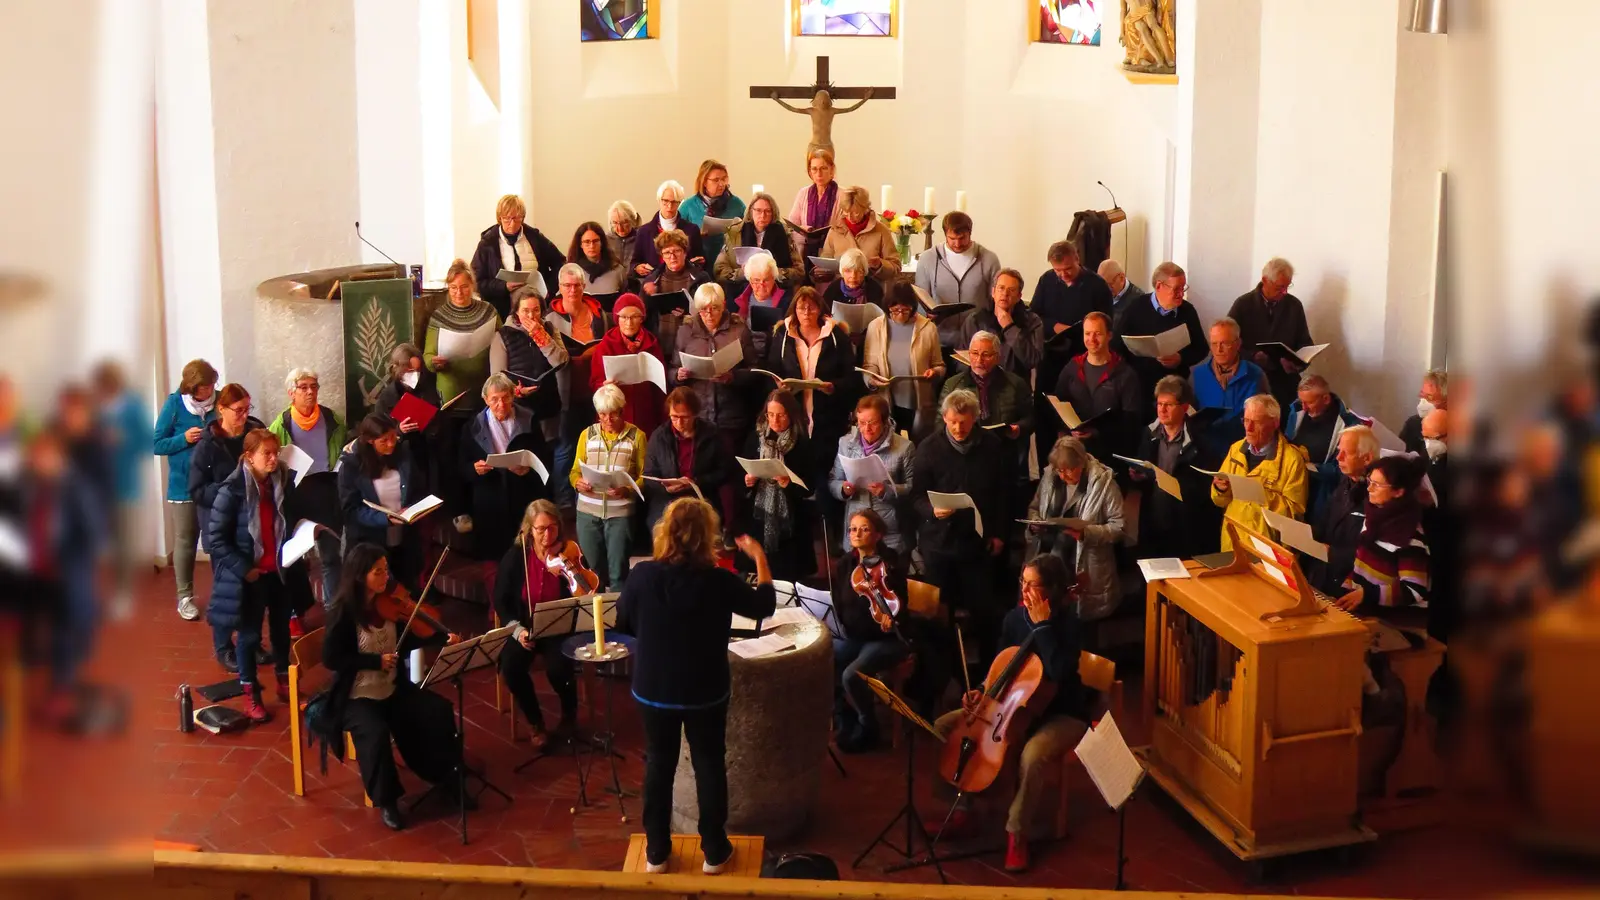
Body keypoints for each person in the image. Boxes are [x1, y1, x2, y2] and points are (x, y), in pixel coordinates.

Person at [615, 499, 777, 875]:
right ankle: (715, 851)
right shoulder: (718, 579)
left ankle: (656, 852)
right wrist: (759, 557)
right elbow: (763, 605)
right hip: (705, 688)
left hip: (654, 688)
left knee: (658, 763)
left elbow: (622, 623)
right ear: (708, 537)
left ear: (664, 532)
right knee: (708, 764)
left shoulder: (641, 576)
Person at [932, 553, 1089, 874]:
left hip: (1061, 714)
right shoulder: (1014, 620)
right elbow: (998, 667)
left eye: (1034, 585)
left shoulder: (1070, 625)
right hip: (1008, 707)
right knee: (943, 727)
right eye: (1023, 582)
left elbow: (1058, 672)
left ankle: (1016, 832)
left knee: (1032, 755)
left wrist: (1044, 626)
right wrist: (980, 690)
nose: (1025, 591)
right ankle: (963, 808)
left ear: (1055, 590)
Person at [323, 543, 463, 831]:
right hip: (357, 695)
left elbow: (409, 640)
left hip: (392, 688)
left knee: (438, 711)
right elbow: (332, 658)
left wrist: (439, 638)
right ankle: (387, 802)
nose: (386, 576)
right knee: (374, 734)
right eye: (378, 572)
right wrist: (374, 661)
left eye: (386, 570)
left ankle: (447, 777)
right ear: (361, 575)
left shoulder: (388, 604)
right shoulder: (344, 612)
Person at [205, 429, 313, 723]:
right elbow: (215, 539)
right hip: (250, 576)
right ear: (249, 457)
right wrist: (245, 570)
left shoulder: (282, 482)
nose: (274, 458)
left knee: (281, 632)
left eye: (276, 452)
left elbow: (292, 519)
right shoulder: (232, 491)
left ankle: (283, 684)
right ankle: (251, 695)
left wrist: (302, 536)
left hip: (279, 570)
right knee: (249, 636)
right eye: (267, 453)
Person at [912, 390, 1012, 659]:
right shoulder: (928, 449)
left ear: (975, 419)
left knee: (985, 613)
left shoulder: (991, 445)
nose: (958, 428)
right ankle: (943, 671)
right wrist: (933, 511)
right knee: (939, 614)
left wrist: (1000, 534)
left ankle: (986, 673)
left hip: (976, 544)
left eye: (964, 422)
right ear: (944, 417)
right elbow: (916, 496)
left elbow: (1003, 493)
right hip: (939, 545)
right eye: (953, 421)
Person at [22, 427, 106, 725]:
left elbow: (94, 531)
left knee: (65, 632)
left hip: (66, 572)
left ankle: (63, 687)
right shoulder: (32, 486)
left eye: (46, 456)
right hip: (36, 570)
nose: (39, 462)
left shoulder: (75, 486)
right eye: (37, 457)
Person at [492, 500, 586, 745]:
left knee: (559, 667)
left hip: (558, 626)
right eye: (540, 529)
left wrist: (575, 576)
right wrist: (518, 631)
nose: (547, 535)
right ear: (528, 530)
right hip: (524, 626)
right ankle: (535, 722)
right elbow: (500, 600)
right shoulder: (516, 556)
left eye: (552, 528)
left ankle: (569, 715)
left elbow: (583, 592)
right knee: (511, 666)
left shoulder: (568, 553)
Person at [189, 384, 266, 672]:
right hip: (222, 525)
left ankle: (252, 641)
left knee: (255, 589)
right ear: (221, 409)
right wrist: (227, 492)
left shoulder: (254, 432)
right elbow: (197, 490)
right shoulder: (208, 445)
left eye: (248, 408)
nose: (244, 415)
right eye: (238, 410)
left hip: (253, 524)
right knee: (228, 589)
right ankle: (223, 647)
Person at [673, 283, 759, 524]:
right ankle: (706, 530)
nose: (709, 313)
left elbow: (754, 371)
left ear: (724, 306)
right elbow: (672, 369)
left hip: (731, 413)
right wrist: (678, 375)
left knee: (731, 477)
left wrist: (733, 377)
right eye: (703, 309)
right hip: (698, 415)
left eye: (714, 308)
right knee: (701, 476)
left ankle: (733, 529)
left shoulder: (739, 329)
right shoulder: (686, 331)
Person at [266, 366, 349, 612]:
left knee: (331, 554)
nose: (310, 392)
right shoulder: (280, 425)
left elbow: (343, 448)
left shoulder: (333, 419)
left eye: (314, 386)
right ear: (291, 393)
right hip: (295, 493)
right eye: (304, 387)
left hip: (326, 490)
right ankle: (294, 611)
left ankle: (333, 608)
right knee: (292, 556)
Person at [830, 509, 911, 753]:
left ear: (878, 535)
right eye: (853, 529)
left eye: (864, 529)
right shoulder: (846, 564)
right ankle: (847, 717)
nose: (857, 533)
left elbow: (901, 603)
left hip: (887, 638)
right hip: (855, 636)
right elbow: (836, 601)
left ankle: (868, 725)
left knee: (851, 675)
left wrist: (892, 617)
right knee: (825, 659)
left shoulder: (892, 562)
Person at [767, 286, 858, 491]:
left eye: (811, 308)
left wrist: (833, 387)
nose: (806, 313)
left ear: (820, 310)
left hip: (827, 415)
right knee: (798, 472)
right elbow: (772, 367)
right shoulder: (782, 334)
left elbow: (852, 377)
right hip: (794, 413)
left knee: (823, 472)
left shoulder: (836, 335)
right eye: (801, 308)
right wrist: (779, 385)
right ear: (794, 310)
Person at [1026, 435, 1124, 622]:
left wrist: (1086, 533)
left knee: (1081, 627)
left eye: (1069, 470)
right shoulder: (1050, 478)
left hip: (1083, 562)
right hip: (1049, 558)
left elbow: (1118, 527)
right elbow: (1034, 507)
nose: (1064, 476)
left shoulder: (1104, 483)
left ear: (1082, 462)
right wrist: (1035, 522)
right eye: (1059, 471)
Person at [461, 374, 550, 564]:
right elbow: (461, 468)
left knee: (526, 555)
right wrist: (474, 469)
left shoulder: (529, 419)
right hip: (489, 501)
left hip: (522, 495)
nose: (501, 404)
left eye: (505, 397)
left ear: (513, 396)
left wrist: (528, 469)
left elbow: (543, 456)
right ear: (485, 399)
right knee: (495, 560)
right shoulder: (472, 427)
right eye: (494, 399)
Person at [1130, 376, 1222, 560]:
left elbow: (1206, 487)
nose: (1162, 410)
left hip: (1186, 525)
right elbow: (1145, 468)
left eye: (1168, 405)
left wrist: (1181, 487)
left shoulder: (1201, 442)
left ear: (1185, 407)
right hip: (1154, 518)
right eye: (1159, 404)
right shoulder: (1149, 435)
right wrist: (1140, 476)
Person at [154, 358, 217, 621]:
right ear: (192, 387)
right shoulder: (174, 405)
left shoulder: (221, 399)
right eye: (205, 387)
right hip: (183, 486)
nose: (211, 390)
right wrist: (184, 439)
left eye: (213, 384)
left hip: (215, 483)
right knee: (185, 542)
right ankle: (185, 597)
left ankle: (224, 595)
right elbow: (157, 443)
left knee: (218, 540)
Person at [1333, 454, 1431, 612]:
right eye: (1370, 481)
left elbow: (1415, 590)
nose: (1369, 488)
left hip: (1392, 620)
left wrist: (1366, 595)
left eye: (1377, 485)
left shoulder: (1410, 537)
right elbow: (1360, 567)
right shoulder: (1372, 518)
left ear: (1398, 492)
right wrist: (1345, 591)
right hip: (1364, 607)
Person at [571, 383, 646, 589]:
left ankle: (619, 618)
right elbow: (574, 472)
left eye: (613, 414)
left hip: (620, 513)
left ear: (622, 411)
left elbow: (644, 476)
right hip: (587, 512)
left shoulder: (637, 436)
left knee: (618, 572)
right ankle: (598, 619)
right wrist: (578, 482)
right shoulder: (587, 435)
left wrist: (627, 489)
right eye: (602, 415)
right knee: (594, 572)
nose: (607, 420)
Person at [338, 413, 426, 589]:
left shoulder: (403, 454)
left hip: (403, 538)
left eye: (393, 437)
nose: (391, 444)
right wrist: (383, 518)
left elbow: (416, 486)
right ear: (370, 440)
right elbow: (350, 511)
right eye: (384, 440)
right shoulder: (351, 465)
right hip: (370, 541)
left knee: (404, 589)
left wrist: (416, 508)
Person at [548, 264, 612, 508]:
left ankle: (589, 497)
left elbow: (607, 346)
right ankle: (564, 501)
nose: (572, 290)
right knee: (565, 448)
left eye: (577, 285)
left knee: (593, 447)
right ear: (559, 288)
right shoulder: (550, 318)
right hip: (564, 390)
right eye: (567, 285)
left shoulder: (600, 316)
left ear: (584, 287)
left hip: (594, 389)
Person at [90, 361, 150, 620]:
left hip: (125, 487)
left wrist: (124, 439)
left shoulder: (133, 406)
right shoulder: (96, 408)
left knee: (124, 544)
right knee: (100, 543)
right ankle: (97, 594)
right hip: (97, 488)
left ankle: (123, 593)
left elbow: (148, 441)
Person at [1210, 394, 1309, 550]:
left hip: (1267, 546)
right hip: (1232, 541)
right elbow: (1219, 501)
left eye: (1256, 422)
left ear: (1275, 423)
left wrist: (1260, 495)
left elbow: (1295, 514)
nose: (1248, 428)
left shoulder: (1292, 459)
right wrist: (1220, 489)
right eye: (1246, 420)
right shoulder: (1236, 449)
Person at [1112, 261, 1208, 414]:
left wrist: (1180, 358)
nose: (1181, 294)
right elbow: (1117, 345)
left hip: (1175, 391)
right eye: (1176, 289)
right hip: (1140, 389)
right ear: (1159, 286)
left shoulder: (1187, 311)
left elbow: (1202, 348)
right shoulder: (1136, 308)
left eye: (1183, 288)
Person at [742, 390, 815, 582]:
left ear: (791, 414)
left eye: (781, 415)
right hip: (759, 512)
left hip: (791, 518)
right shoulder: (755, 437)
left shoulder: (801, 443)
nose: (775, 420)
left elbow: (810, 486)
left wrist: (788, 484)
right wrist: (748, 481)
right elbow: (742, 471)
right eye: (771, 414)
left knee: (787, 577)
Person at [1053, 311, 1144, 464]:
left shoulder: (1125, 374)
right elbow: (1057, 406)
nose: (1092, 340)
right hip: (1075, 455)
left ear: (1109, 335)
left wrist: (1096, 432)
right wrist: (1065, 432)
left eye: (1098, 334)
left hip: (1110, 457)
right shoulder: (1072, 368)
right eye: (1087, 333)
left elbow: (1132, 423)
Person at [939, 331, 1034, 477]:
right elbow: (940, 423)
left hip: (1003, 451)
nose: (979, 360)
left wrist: (1018, 429)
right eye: (974, 353)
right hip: (966, 453)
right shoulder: (953, 385)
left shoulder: (1016, 384)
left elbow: (1031, 418)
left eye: (986, 355)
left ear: (997, 357)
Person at [829, 394, 916, 553]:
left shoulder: (904, 447)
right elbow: (834, 480)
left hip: (890, 532)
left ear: (885, 421)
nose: (866, 429)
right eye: (861, 423)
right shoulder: (845, 443)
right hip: (857, 530)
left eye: (873, 423)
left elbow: (913, 489)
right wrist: (843, 489)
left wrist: (887, 490)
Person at [489, 287, 569, 456]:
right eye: (525, 311)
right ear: (516, 312)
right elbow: (496, 378)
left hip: (548, 403)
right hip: (518, 408)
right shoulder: (503, 335)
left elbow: (562, 361)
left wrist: (541, 337)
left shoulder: (550, 329)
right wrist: (515, 391)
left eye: (536, 310)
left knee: (548, 454)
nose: (531, 317)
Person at [860, 282, 944, 441]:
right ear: (887, 307)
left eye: (905, 310)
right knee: (888, 449)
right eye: (895, 310)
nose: (900, 314)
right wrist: (871, 380)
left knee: (919, 447)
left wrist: (935, 372)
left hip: (918, 401)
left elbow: (939, 365)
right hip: (887, 399)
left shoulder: (928, 328)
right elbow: (868, 365)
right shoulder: (876, 327)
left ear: (913, 307)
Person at [1229, 258, 1314, 415]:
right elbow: (1228, 344)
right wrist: (1252, 356)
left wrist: (1297, 362)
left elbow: (1305, 342)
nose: (1284, 293)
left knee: (1285, 428)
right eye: (1280, 288)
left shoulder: (1294, 305)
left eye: (1288, 287)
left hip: (1284, 382)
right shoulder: (1243, 304)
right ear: (1265, 281)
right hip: (1250, 380)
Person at [1305, 424, 1379, 596]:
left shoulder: (1378, 495)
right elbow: (1325, 524)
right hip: (1325, 577)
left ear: (1366, 458)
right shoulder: (1345, 482)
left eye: (1346, 453)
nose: (1338, 457)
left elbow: (1376, 552)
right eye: (1339, 451)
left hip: (1352, 586)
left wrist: (1334, 553)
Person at [643, 387, 730, 531]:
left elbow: (724, 471)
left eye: (684, 417)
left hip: (701, 499)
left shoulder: (712, 433)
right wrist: (666, 488)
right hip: (667, 502)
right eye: (674, 417)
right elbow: (648, 476)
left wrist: (696, 482)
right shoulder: (659, 436)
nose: (678, 422)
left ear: (695, 414)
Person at [1284, 373, 1366, 521]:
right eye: (1301, 401)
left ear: (1326, 399)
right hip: (1293, 488)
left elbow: (1342, 471)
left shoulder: (1349, 426)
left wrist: (1307, 466)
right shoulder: (1296, 411)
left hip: (1322, 496)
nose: (1304, 408)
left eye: (1308, 403)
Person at [472, 193, 564, 318]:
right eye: (507, 218)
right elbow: (477, 282)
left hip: (536, 307)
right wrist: (503, 286)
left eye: (516, 218)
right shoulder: (487, 244)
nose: (512, 223)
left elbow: (560, 261)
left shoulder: (534, 237)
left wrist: (549, 290)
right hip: (502, 310)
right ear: (499, 218)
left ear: (523, 217)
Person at [426, 258, 503, 407]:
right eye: (453, 287)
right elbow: (428, 356)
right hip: (451, 390)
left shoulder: (488, 311)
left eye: (464, 287)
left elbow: (504, 341)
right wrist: (434, 362)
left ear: (472, 285)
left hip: (485, 388)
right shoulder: (439, 316)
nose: (459, 292)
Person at [591, 293, 667, 440]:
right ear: (616, 319)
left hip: (646, 412)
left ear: (642, 319)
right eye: (624, 317)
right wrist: (604, 385)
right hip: (615, 414)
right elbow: (594, 382)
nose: (629, 322)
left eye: (634, 317)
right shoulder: (604, 346)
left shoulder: (652, 344)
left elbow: (660, 388)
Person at [1190, 317, 1269, 457]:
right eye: (1214, 344)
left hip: (1243, 453)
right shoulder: (1198, 375)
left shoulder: (1255, 375)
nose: (1218, 349)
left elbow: (1265, 419)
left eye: (1224, 343)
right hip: (1204, 453)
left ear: (1238, 344)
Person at [914, 211, 1002, 336]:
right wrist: (927, 314)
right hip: (939, 338)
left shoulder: (989, 259)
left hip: (978, 340)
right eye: (952, 239)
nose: (957, 244)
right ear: (945, 235)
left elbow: (996, 301)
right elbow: (921, 300)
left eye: (962, 238)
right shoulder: (928, 259)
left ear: (970, 233)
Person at [1029, 240, 1112, 360]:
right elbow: (1033, 315)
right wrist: (1054, 326)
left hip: (1083, 353)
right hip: (1049, 352)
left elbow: (1107, 323)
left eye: (1068, 268)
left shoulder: (1098, 285)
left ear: (1077, 259)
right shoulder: (1046, 280)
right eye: (1057, 270)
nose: (1063, 275)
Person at [958, 268, 1044, 379]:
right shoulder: (975, 320)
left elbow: (1033, 360)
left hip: (1014, 386)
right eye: (1001, 288)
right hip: (978, 384)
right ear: (993, 292)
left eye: (1011, 290)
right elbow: (960, 359)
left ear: (1019, 296)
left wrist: (1010, 328)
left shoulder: (1032, 321)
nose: (1005, 294)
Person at [375, 342, 442, 473]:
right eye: (410, 371)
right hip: (402, 461)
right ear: (397, 368)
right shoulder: (387, 397)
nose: (415, 375)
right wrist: (399, 430)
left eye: (418, 370)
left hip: (429, 457)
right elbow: (378, 433)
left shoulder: (428, 389)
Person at [714, 190, 801, 289]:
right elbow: (719, 270)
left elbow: (799, 271)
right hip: (739, 290)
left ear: (773, 213)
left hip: (777, 290)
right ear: (751, 211)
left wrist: (774, 273)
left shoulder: (785, 234)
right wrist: (744, 273)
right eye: (758, 210)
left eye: (768, 211)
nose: (763, 215)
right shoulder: (735, 233)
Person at [640, 229, 713, 344]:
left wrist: (688, 314)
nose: (672, 256)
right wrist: (647, 296)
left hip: (692, 341)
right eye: (667, 252)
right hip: (660, 342)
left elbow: (712, 312)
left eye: (677, 251)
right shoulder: (651, 280)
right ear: (662, 256)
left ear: (685, 252)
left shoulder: (701, 278)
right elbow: (642, 315)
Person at [818, 186, 900, 287]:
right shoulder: (834, 230)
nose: (849, 217)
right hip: (841, 291)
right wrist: (821, 271)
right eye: (846, 212)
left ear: (865, 208)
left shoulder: (881, 231)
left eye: (855, 212)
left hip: (873, 292)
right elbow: (826, 261)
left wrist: (879, 265)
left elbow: (896, 267)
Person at [677, 159, 746, 263]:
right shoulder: (688, 206)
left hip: (728, 263)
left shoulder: (737, 204)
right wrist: (695, 235)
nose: (722, 184)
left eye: (724, 179)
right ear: (704, 182)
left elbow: (749, 231)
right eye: (716, 180)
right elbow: (676, 238)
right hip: (699, 262)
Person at [634, 180, 706, 276]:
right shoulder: (644, 231)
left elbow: (701, 261)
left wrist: (698, 263)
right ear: (659, 200)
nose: (670, 206)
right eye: (665, 201)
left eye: (674, 202)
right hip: (653, 282)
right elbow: (634, 262)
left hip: (684, 281)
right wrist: (637, 267)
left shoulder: (692, 230)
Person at [787, 148, 842, 262]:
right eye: (814, 169)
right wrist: (805, 233)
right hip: (804, 254)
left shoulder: (842, 195)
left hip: (831, 254)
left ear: (832, 170)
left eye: (823, 168)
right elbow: (791, 228)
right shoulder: (803, 193)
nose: (819, 174)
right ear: (810, 172)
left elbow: (845, 232)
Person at [730, 253, 790, 356]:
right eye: (756, 280)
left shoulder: (786, 300)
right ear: (750, 280)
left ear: (773, 278)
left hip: (774, 354)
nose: (761, 285)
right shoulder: (738, 295)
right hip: (743, 354)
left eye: (766, 280)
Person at [566, 220, 628, 295]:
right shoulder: (571, 272)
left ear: (602, 243)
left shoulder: (618, 271)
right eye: (587, 242)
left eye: (595, 241)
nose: (591, 246)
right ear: (580, 244)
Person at [1400, 369, 1449, 456]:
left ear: (1446, 401)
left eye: (1429, 397)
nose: (1423, 401)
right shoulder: (1413, 424)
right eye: (1422, 395)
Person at [820, 248, 885, 311]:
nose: (853, 276)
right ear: (842, 272)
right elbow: (824, 314)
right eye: (848, 271)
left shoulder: (875, 289)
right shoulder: (832, 290)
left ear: (864, 272)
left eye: (859, 271)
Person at [607, 199, 643, 280]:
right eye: (615, 223)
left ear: (633, 220)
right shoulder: (606, 240)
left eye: (624, 222)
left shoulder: (642, 238)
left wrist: (636, 268)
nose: (620, 228)